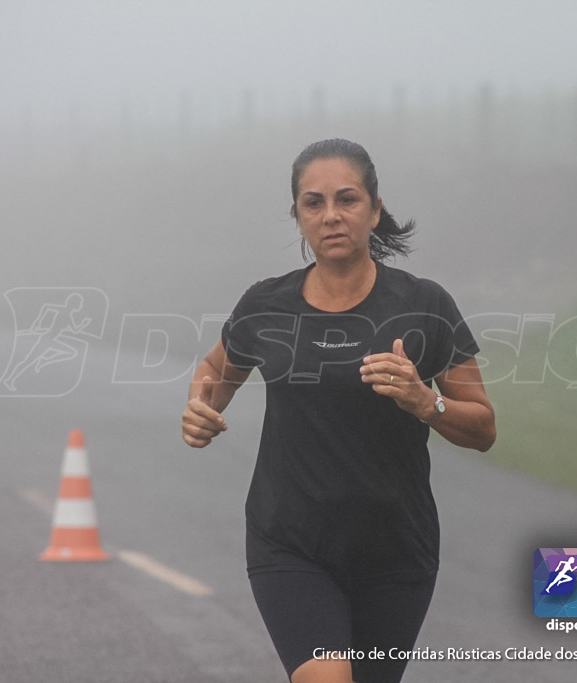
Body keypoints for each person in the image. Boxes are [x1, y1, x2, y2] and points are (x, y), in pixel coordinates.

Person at [181, 138, 495, 683]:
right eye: (313, 203)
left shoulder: (424, 306)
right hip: (291, 543)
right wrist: (200, 411)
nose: (331, 216)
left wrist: (427, 401)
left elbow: (483, 428)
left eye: (347, 199)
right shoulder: (266, 305)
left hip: (395, 549)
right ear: (298, 217)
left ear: (375, 209)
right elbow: (214, 372)